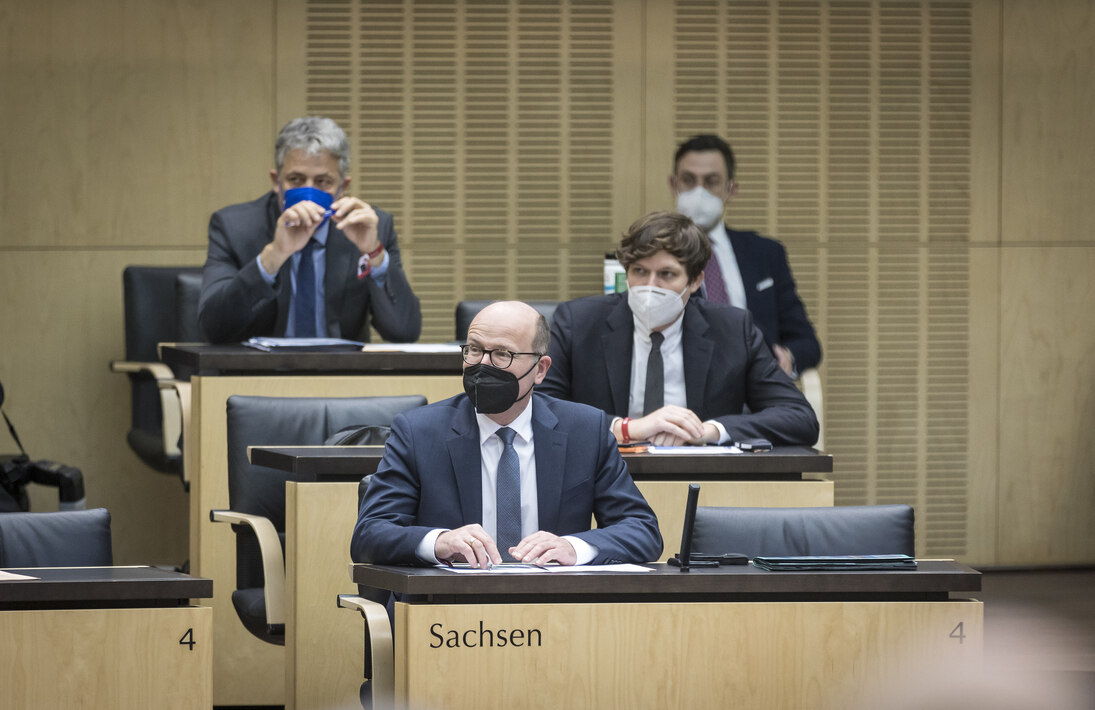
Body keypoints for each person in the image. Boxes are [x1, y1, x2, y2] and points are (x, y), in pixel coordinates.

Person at [351, 301, 662, 568]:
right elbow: (370, 534)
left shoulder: (584, 430)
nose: (482, 365)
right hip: (449, 611)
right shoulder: (419, 432)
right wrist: (439, 541)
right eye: (473, 350)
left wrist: (574, 548)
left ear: (540, 369)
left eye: (502, 354)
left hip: (558, 608)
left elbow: (642, 530)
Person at [539, 211, 818, 448]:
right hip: (602, 477)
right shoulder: (579, 321)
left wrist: (708, 431)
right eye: (639, 271)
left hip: (701, 480)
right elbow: (539, 406)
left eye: (666, 274)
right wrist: (626, 429)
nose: (650, 285)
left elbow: (799, 417)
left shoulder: (733, 329)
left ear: (695, 281)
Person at [198, 116, 421, 344]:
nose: (308, 193)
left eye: (323, 181)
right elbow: (214, 328)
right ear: (276, 181)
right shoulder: (234, 227)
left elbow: (404, 331)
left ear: (343, 186)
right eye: (296, 179)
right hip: (258, 375)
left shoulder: (370, 226)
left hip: (342, 374)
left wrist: (374, 252)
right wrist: (273, 256)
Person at [671, 134, 821, 375]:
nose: (699, 192)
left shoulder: (765, 253)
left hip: (757, 389)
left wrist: (787, 358)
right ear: (674, 185)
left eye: (711, 181)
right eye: (689, 180)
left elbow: (807, 343)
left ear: (731, 189)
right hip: (686, 389)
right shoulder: (655, 258)